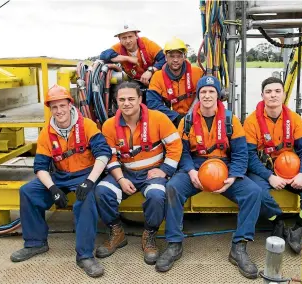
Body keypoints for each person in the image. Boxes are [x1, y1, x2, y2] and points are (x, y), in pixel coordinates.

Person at [156, 76, 262, 279]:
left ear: (218, 95)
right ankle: (174, 244)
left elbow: (241, 153)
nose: (207, 95)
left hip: (225, 167)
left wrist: (234, 175)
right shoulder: (186, 121)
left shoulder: (231, 120)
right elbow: (182, 151)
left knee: (253, 193)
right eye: (203, 91)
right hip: (196, 165)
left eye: (211, 91)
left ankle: (239, 247)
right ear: (198, 95)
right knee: (173, 188)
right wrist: (190, 170)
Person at [10, 85, 112, 278]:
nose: (59, 111)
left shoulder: (87, 125)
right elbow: (40, 166)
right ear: (50, 109)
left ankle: (85, 255)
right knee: (28, 192)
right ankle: (35, 243)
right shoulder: (46, 133)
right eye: (54, 107)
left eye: (62, 106)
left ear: (69, 105)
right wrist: (53, 188)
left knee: (85, 200)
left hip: (85, 173)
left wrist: (90, 182)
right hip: (60, 175)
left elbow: (103, 154)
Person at [95, 81, 182, 265]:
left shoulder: (158, 118)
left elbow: (175, 145)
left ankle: (150, 235)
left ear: (140, 99)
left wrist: (164, 170)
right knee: (102, 191)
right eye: (122, 99)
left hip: (152, 173)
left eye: (131, 99)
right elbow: (109, 156)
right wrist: (120, 178)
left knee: (157, 196)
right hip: (124, 172)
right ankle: (116, 233)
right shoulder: (109, 125)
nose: (127, 103)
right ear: (116, 101)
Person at [243, 76, 302, 254]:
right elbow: (249, 156)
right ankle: (277, 221)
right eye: (268, 92)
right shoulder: (251, 122)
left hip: (293, 170)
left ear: (283, 94)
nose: (273, 95)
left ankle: (299, 228)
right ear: (262, 96)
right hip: (264, 170)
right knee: (256, 191)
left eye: (277, 91)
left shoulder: (295, 120)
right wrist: (270, 177)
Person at [146, 37, 203, 127]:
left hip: (196, 118)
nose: (175, 60)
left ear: (184, 57)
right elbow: (152, 103)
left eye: (179, 56)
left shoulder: (198, 72)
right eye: (171, 56)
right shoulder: (157, 77)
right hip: (170, 120)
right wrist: (175, 117)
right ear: (165, 57)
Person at [99, 23, 165, 87]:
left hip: (153, 78)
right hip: (133, 81)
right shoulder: (118, 47)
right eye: (124, 38)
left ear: (136, 36)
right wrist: (127, 58)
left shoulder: (147, 43)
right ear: (119, 39)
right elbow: (103, 55)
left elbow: (164, 58)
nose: (128, 41)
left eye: (130, 37)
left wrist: (150, 71)